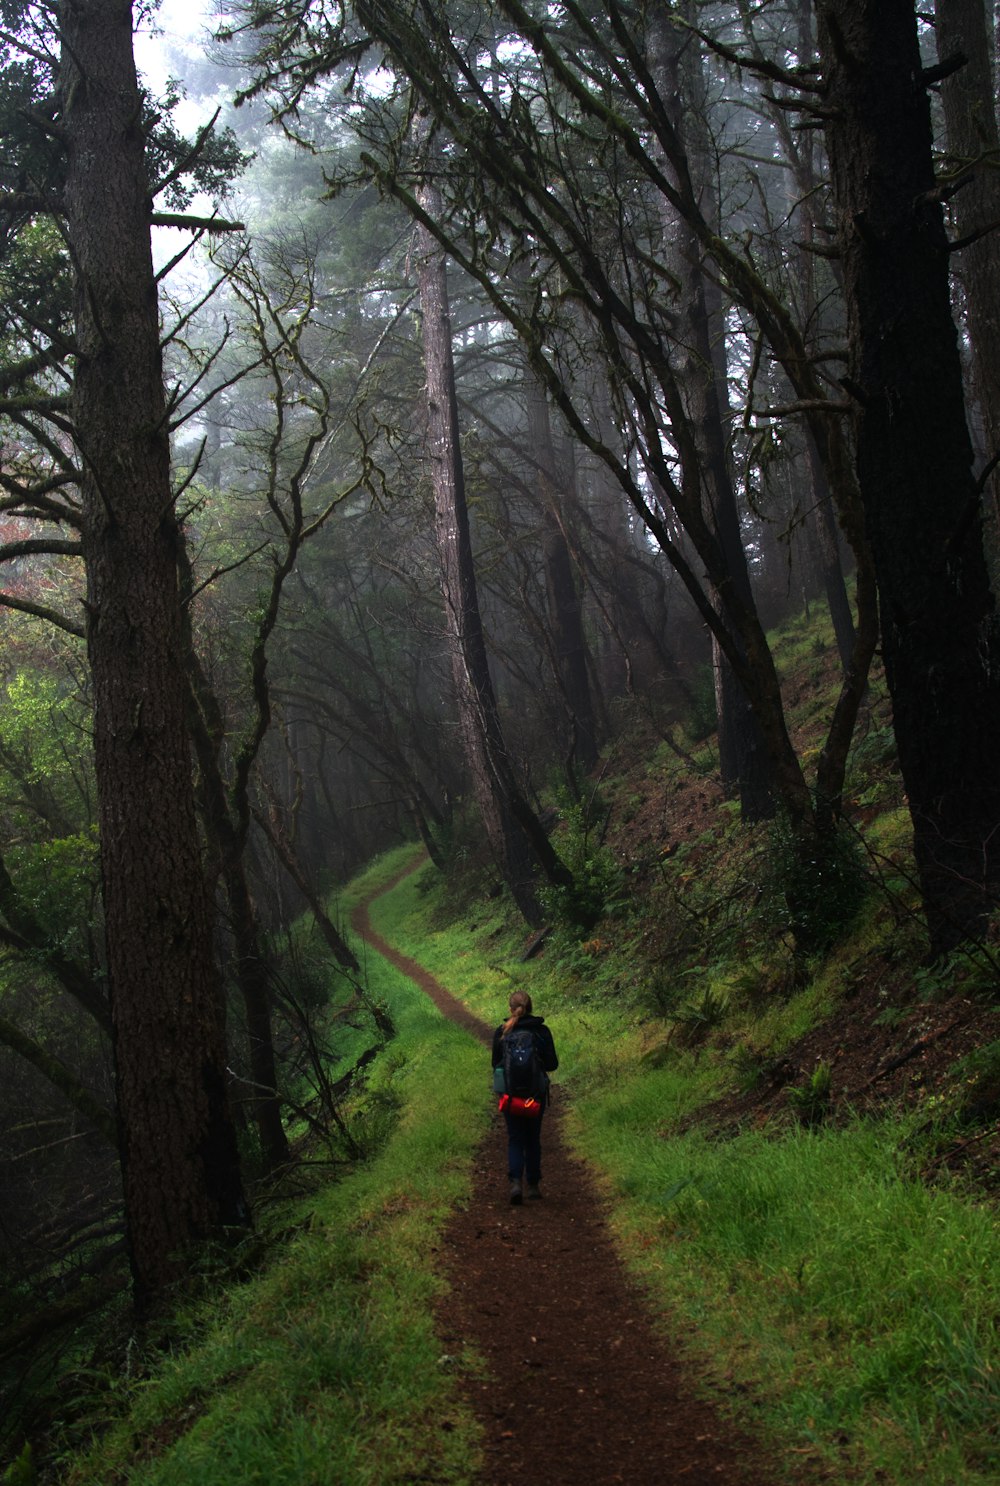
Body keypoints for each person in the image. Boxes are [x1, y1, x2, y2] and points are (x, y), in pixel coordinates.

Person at [491, 991, 558, 1205]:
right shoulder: (541, 1032)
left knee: (515, 1138)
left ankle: (515, 1183)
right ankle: (533, 1184)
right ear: (531, 1007)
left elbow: (496, 1064)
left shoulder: (502, 1032)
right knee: (532, 1138)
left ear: (511, 1009)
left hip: (511, 1096)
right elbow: (552, 1064)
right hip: (534, 1095)